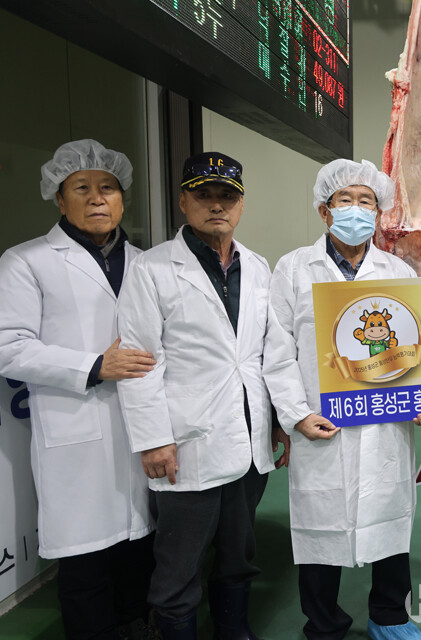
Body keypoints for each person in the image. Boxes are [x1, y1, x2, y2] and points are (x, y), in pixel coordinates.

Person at [262, 158, 421, 640]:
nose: (357, 209)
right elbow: (277, 351)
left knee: (390, 518)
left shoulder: (397, 271)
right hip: (321, 422)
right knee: (320, 529)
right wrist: (296, 415)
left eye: (367, 201)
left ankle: (390, 615)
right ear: (325, 210)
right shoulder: (294, 269)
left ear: (379, 213)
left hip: (385, 423)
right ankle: (323, 623)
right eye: (345, 199)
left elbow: (418, 347)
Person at [116, 152, 288, 640]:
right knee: (180, 564)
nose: (216, 205)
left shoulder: (257, 266)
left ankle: (234, 631)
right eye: (204, 195)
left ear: (241, 204)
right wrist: (153, 439)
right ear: (183, 202)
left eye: (227, 196)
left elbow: (269, 353)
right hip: (186, 443)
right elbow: (140, 362)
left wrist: (278, 421)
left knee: (239, 554)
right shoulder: (152, 269)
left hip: (250, 437)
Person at [0, 139, 157, 640]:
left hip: (143, 425)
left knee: (140, 546)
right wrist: (94, 366)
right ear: (58, 198)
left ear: (122, 198)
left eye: (107, 187)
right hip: (76, 423)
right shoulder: (26, 261)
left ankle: (137, 625)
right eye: (81, 188)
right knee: (85, 561)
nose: (96, 198)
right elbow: (9, 346)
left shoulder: (147, 262)